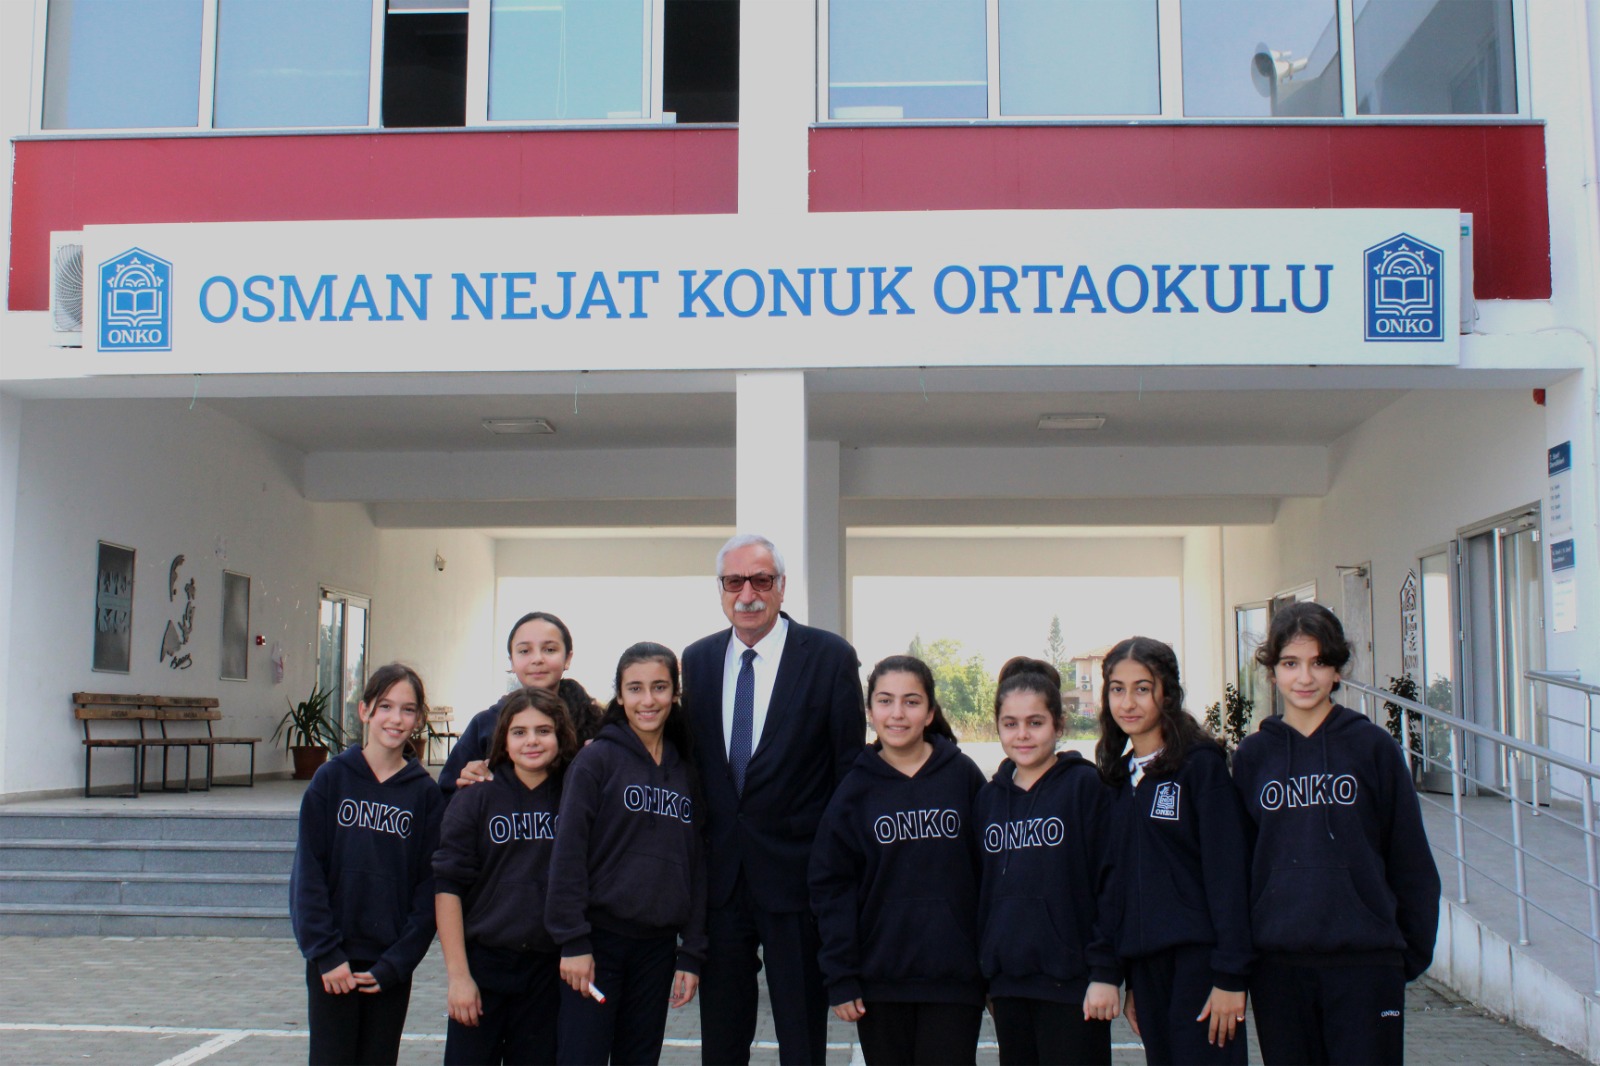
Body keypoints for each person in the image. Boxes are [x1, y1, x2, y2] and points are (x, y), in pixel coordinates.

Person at [681, 533, 865, 1065]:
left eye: (761, 580)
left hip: (798, 882)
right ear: (720, 589)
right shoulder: (697, 660)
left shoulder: (829, 657)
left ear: (782, 586)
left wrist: (835, 869)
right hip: (721, 885)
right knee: (721, 1040)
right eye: (734, 582)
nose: (748, 594)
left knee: (801, 1038)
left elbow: (847, 772)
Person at [1233, 602, 1441, 1065]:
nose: (1305, 677)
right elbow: (1240, 865)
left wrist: (1403, 956)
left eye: (1319, 662)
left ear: (1338, 670)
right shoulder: (1252, 757)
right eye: (1291, 663)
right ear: (1272, 672)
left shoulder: (1373, 748)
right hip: (1278, 967)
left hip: (1365, 963)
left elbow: (1410, 858)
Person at [809, 655, 987, 1065]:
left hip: (955, 980)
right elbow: (831, 887)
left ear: (930, 712)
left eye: (911, 701)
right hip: (880, 982)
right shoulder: (853, 790)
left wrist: (992, 965)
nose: (897, 713)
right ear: (869, 712)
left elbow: (991, 875)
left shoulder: (962, 777)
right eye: (885, 701)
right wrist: (841, 974)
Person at [546, 642, 706, 1066]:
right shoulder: (596, 761)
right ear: (619, 695)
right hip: (597, 946)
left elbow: (696, 864)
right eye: (635, 688)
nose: (647, 700)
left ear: (675, 693)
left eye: (659, 687)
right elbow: (567, 855)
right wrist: (573, 942)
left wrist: (691, 952)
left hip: (657, 951)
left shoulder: (685, 771)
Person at [1095, 637, 1252, 1066]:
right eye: (1117, 689)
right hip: (1147, 968)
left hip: (1201, 966)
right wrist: (1130, 980)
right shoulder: (1116, 779)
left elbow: (1228, 875)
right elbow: (1117, 883)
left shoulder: (1201, 768)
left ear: (1167, 694)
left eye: (1142, 688)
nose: (1128, 702)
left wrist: (1230, 976)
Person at [290, 663, 445, 1066]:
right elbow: (308, 874)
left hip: (388, 966)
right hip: (333, 961)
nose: (396, 719)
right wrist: (325, 954)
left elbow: (428, 889)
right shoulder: (331, 780)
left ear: (419, 719)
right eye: (386, 706)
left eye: (408, 709)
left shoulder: (425, 795)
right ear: (365, 710)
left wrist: (398, 963)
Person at [976, 667, 1120, 1066]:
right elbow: (982, 892)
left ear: (1059, 724)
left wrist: (1105, 972)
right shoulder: (989, 800)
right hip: (1009, 986)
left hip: (1074, 986)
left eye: (1035, 722)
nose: (1022, 734)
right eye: (1011, 723)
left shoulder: (1086, 787)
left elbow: (1111, 884)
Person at [433, 686, 579, 1065]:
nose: (532, 741)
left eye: (543, 730)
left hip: (547, 971)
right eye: (519, 732)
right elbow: (447, 888)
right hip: (483, 965)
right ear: (503, 739)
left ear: (561, 736)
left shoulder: (575, 796)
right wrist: (459, 977)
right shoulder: (475, 796)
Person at [441, 611, 601, 795]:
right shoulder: (486, 723)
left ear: (568, 658)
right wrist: (467, 781)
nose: (537, 659)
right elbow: (447, 792)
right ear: (512, 661)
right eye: (524, 651)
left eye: (550, 649)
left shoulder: (594, 723)